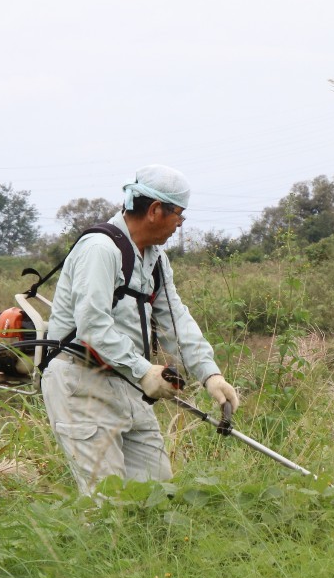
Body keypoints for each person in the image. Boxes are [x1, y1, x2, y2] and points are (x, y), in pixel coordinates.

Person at [40, 164, 240, 495]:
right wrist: (144, 371)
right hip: (81, 382)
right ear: (155, 210)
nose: (180, 223)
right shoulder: (100, 249)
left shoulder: (156, 259)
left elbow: (175, 317)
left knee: (155, 492)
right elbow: (92, 324)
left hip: (127, 381)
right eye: (179, 214)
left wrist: (210, 374)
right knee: (107, 501)